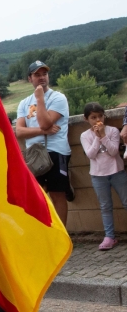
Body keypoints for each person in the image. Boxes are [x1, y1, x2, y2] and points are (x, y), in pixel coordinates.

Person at [15, 60, 71, 224]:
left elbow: (45, 122)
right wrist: (42, 131)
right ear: (29, 78)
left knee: (57, 193)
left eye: (44, 74)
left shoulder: (58, 98)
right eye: (37, 75)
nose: (41, 78)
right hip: (34, 155)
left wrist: (40, 99)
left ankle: (62, 237)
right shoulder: (23, 103)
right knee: (37, 196)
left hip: (55, 151)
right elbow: (19, 131)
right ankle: (46, 234)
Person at [81, 102, 126, 251]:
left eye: (100, 116)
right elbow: (90, 155)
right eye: (93, 117)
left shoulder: (112, 131)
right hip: (98, 175)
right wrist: (96, 137)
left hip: (117, 172)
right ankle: (109, 236)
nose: (97, 120)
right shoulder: (85, 136)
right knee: (105, 206)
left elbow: (113, 152)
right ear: (86, 119)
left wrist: (104, 136)